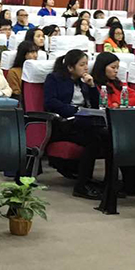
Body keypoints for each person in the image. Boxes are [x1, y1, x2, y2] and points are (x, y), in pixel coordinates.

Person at [42, 49, 103, 198]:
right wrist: (75, 110)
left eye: (86, 64)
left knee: (106, 135)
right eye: (82, 65)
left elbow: (96, 105)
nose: (86, 68)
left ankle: (104, 182)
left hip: (83, 122)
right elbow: (50, 102)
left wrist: (92, 86)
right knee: (95, 138)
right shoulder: (54, 78)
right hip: (63, 124)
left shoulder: (83, 82)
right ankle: (82, 185)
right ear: (70, 67)